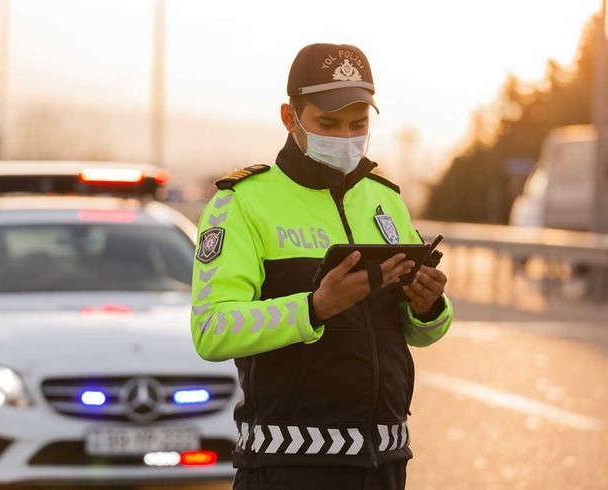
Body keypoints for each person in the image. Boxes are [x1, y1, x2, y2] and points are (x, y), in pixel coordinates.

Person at [190, 43, 453, 490]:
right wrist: (313, 308)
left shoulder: (385, 199)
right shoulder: (241, 202)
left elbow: (419, 332)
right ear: (290, 118)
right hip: (287, 466)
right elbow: (212, 330)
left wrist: (427, 307)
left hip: (386, 461)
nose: (346, 136)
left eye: (358, 124)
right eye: (328, 123)